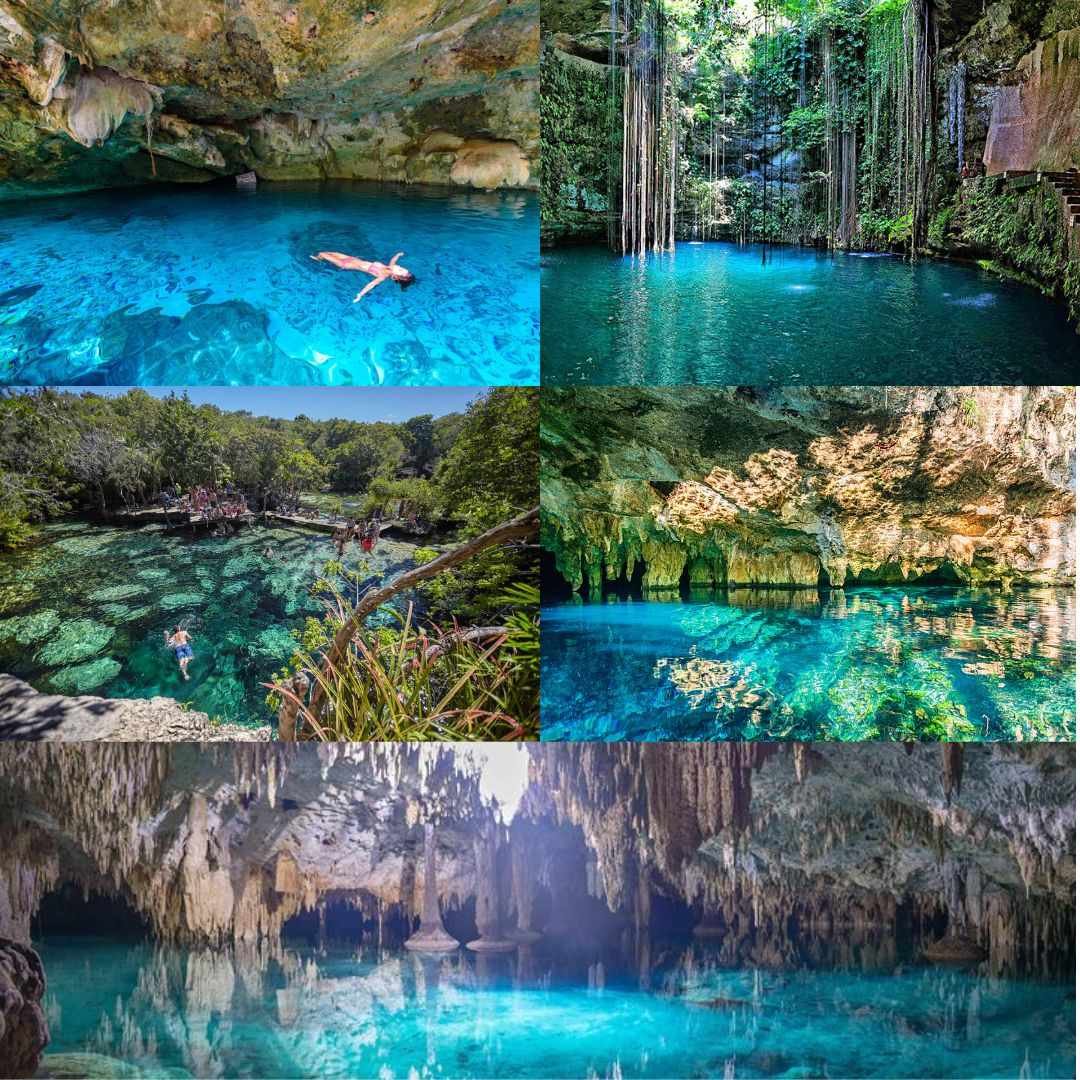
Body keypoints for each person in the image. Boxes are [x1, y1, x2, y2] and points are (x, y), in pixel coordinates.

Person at [310, 250, 416, 301]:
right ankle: (319, 258)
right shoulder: (390, 267)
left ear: (395, 277)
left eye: (400, 270)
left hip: (345, 264)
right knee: (329, 252)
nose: (400, 267)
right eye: (402, 267)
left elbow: (371, 285)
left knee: (323, 254)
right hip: (352, 259)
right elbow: (393, 260)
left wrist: (360, 295)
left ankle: (318, 259)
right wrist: (398, 255)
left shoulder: (382, 276)